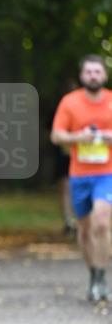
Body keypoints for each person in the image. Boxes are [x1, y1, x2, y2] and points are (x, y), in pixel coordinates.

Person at [51, 55, 112, 302]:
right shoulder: (70, 102)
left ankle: (102, 277)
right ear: (82, 76)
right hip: (79, 174)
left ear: (104, 75)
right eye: (89, 72)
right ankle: (93, 275)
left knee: (102, 222)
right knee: (85, 230)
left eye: (97, 71)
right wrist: (79, 138)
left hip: (107, 173)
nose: (93, 76)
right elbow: (56, 136)